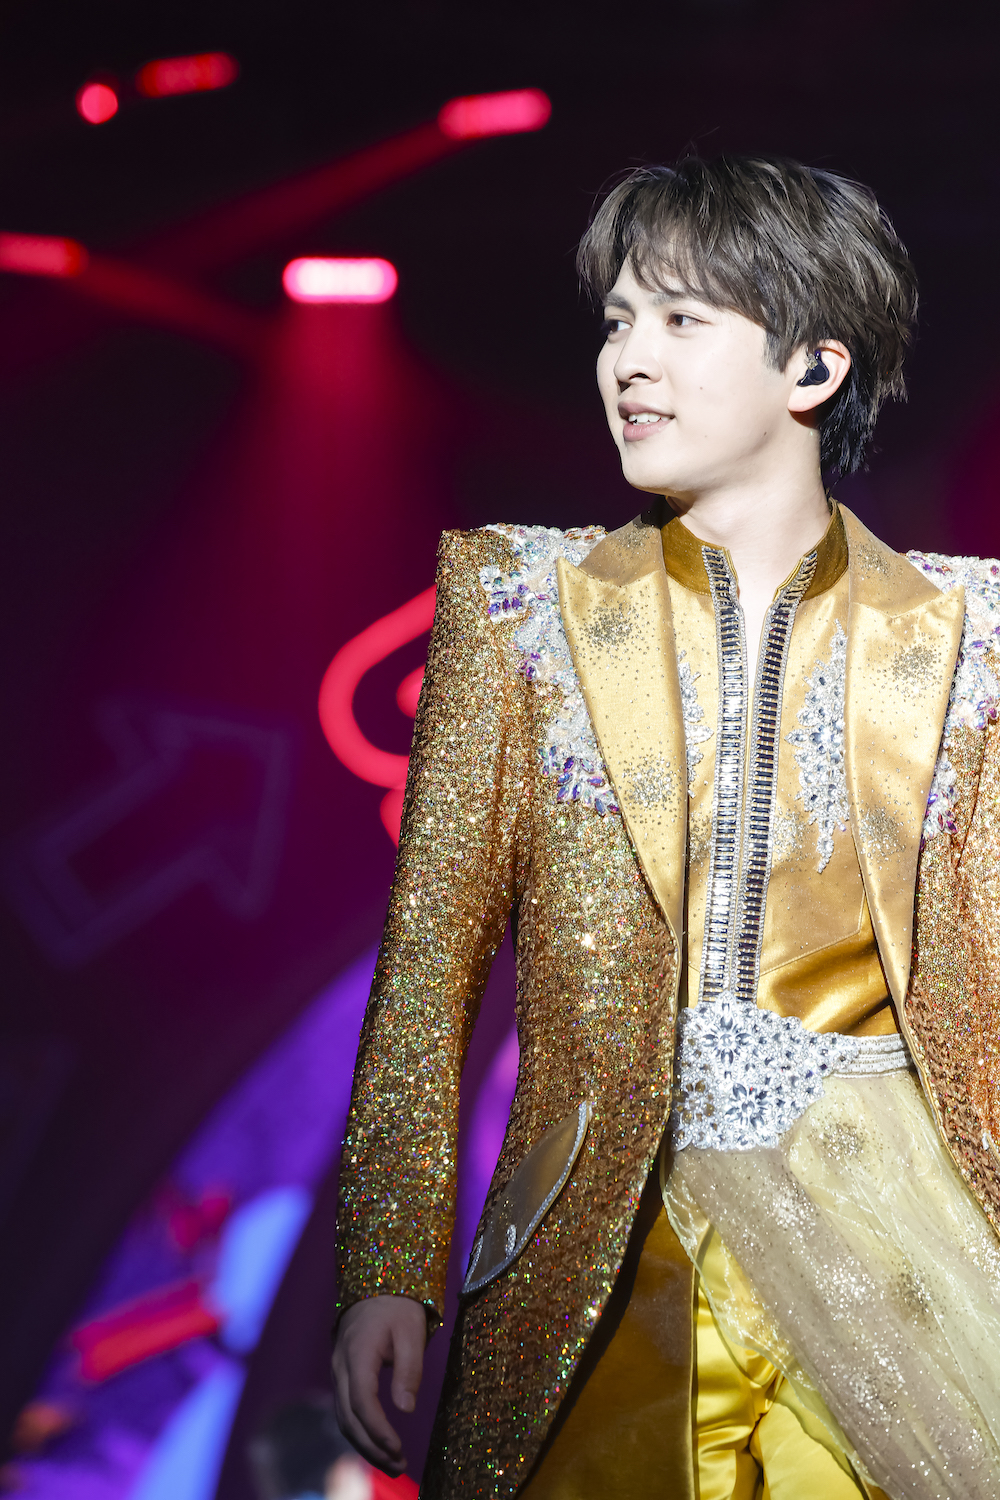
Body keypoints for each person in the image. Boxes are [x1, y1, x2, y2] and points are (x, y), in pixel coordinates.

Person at [331, 156, 1000, 1499]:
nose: (628, 360)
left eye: (682, 320)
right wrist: (386, 1264)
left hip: (895, 1246)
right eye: (617, 321)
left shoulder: (969, 633)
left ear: (813, 368)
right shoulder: (519, 603)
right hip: (610, 1244)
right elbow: (428, 966)